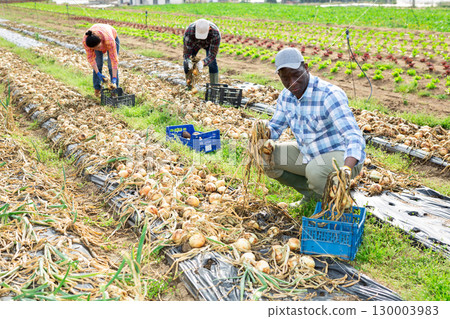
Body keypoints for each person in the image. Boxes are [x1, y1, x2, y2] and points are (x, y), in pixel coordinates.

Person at [262, 48, 366, 207]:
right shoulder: (286, 96)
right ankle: (313, 196)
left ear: (306, 67)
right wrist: (261, 133)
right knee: (264, 156)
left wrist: (346, 168)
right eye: (285, 78)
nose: (292, 83)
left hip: (342, 156)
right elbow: (275, 127)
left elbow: (353, 136)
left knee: (315, 171)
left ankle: (336, 204)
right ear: (279, 77)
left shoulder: (329, 94)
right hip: (309, 153)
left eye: (296, 75)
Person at [83, 24, 120, 97]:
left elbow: (114, 60)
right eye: (94, 49)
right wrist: (98, 73)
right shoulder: (86, 42)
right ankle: (97, 89)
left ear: (101, 40)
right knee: (98, 64)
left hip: (112, 37)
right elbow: (91, 59)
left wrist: (114, 78)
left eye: (98, 47)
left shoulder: (109, 40)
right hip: (97, 40)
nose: (97, 49)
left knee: (110, 66)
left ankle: (114, 90)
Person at [183, 19, 221, 86]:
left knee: (212, 64)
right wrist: (188, 61)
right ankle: (189, 85)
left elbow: (212, 54)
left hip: (209, 45)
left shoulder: (215, 33)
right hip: (195, 44)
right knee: (187, 64)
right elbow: (187, 52)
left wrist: (202, 63)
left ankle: (214, 87)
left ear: (209, 28)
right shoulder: (189, 31)